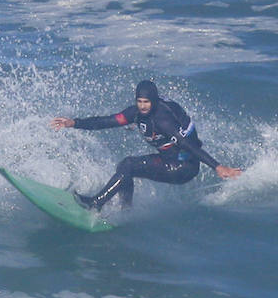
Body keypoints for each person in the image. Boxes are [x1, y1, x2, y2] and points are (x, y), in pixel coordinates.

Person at [51, 80, 243, 210]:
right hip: (169, 159)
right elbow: (107, 121)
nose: (143, 106)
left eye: (146, 102)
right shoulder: (136, 113)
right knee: (125, 167)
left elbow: (187, 144)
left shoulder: (163, 120)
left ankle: (96, 204)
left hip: (183, 167)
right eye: (139, 101)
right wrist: (74, 123)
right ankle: (126, 210)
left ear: (154, 100)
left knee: (128, 166)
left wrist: (217, 166)